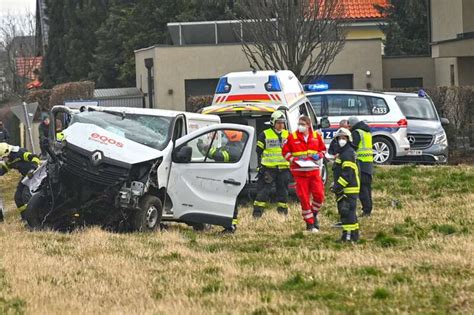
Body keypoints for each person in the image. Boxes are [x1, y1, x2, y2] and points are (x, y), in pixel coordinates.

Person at [282, 116, 326, 233]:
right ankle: (310, 224)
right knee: (304, 199)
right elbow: (285, 152)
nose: (300, 126)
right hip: (299, 173)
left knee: (319, 195)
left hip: (314, 171)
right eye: (299, 124)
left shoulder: (316, 137)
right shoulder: (292, 137)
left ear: (308, 125)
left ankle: (313, 214)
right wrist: (292, 160)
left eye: (302, 124)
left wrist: (319, 155)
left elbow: (323, 150)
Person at [197, 130, 245, 233]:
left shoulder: (234, 150)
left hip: (229, 181)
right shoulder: (233, 146)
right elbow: (214, 153)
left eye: (224, 136)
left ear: (231, 137)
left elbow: (217, 155)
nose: (222, 138)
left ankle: (231, 226)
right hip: (227, 180)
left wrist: (204, 146)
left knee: (230, 204)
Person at [253, 111, 290, 218]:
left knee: (283, 192)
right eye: (278, 122)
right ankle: (257, 214)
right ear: (273, 122)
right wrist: (261, 165)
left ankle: (283, 213)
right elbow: (258, 151)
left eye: (283, 123)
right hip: (269, 169)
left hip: (284, 169)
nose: (281, 125)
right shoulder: (264, 134)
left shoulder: (288, 135)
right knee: (263, 192)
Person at [330, 128, 360, 242]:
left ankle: (348, 237)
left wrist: (337, 186)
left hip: (349, 188)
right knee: (350, 213)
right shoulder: (344, 152)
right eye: (340, 138)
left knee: (346, 212)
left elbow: (347, 174)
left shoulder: (347, 153)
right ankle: (353, 236)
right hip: (347, 187)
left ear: (348, 139)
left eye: (344, 138)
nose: (341, 140)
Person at [0, 142, 40, 221]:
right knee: (18, 197)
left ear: (8, 152)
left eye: (4, 157)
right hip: (26, 177)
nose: (4, 159)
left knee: (26, 196)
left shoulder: (19, 153)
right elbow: (4, 169)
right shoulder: (9, 159)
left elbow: (35, 158)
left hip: (34, 175)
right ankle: (25, 218)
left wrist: (32, 169)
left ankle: (34, 217)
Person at [348, 117, 374, 217]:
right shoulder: (366, 131)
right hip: (368, 163)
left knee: (363, 188)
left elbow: (353, 146)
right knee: (367, 188)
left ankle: (366, 210)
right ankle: (368, 208)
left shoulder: (357, 132)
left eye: (349, 125)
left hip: (361, 163)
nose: (349, 127)